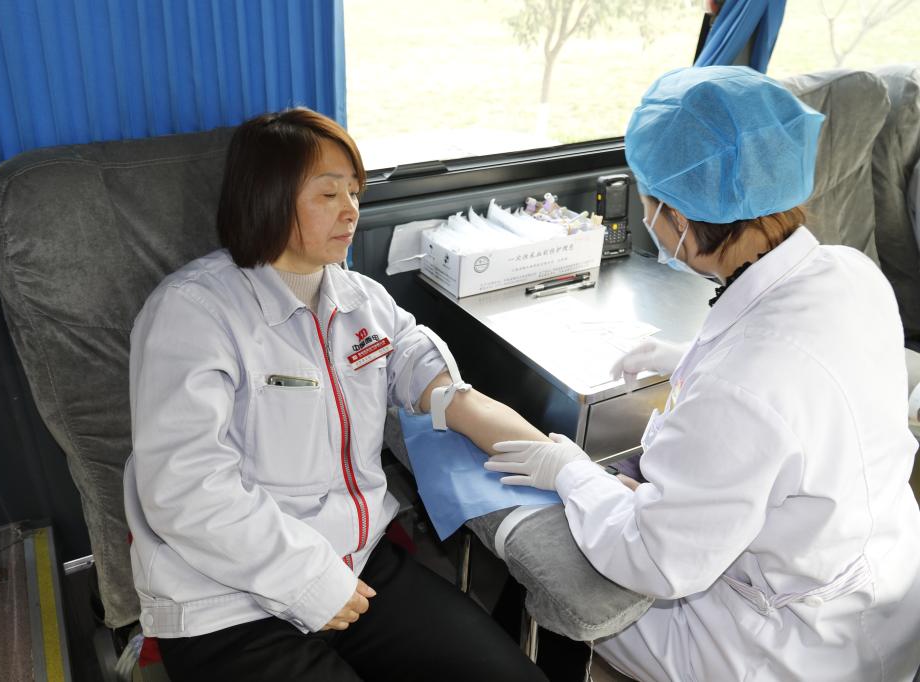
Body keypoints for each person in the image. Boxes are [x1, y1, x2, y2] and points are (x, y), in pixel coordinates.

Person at [485, 66, 920, 681]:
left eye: (647, 200)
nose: (648, 216)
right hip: (889, 589)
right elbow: (801, 368)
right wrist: (687, 356)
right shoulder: (851, 273)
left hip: (785, 644)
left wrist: (572, 473)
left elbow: (655, 560)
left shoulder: (740, 390)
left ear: (679, 218)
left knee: (559, 583)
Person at [122, 107, 550, 682]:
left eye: (354, 191)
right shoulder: (193, 312)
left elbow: (453, 399)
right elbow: (184, 488)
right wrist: (310, 582)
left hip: (356, 565)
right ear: (268, 199)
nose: (350, 209)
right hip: (224, 600)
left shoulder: (363, 302)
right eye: (328, 194)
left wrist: (567, 467)